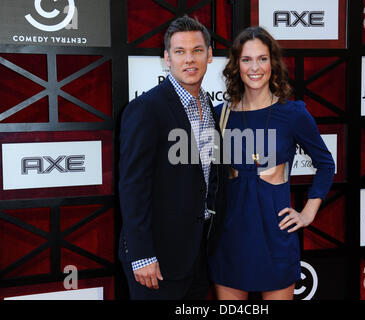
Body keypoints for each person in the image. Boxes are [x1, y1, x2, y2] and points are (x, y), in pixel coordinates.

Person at [208, 26, 335, 300]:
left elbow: (326, 164)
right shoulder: (220, 115)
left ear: (272, 64)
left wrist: (308, 212)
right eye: (246, 59)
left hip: (275, 241)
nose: (255, 67)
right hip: (229, 243)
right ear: (236, 66)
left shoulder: (292, 114)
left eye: (262, 59)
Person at [118, 15, 227, 300]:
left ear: (210, 55)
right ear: (167, 58)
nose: (189, 60)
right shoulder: (146, 109)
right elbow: (133, 187)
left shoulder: (211, 109)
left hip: (199, 257)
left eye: (197, 51)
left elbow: (207, 180)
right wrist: (141, 255)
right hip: (157, 261)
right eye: (180, 52)